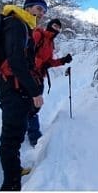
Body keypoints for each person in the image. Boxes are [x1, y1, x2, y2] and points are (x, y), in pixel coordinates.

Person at [0, 0, 47, 191]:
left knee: (15, 133)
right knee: (11, 137)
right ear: (28, 7)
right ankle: (10, 186)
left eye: (44, 10)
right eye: (38, 8)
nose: (41, 13)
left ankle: (14, 171)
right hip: (12, 88)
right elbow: (16, 61)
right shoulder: (16, 24)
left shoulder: (23, 25)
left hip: (15, 87)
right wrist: (34, 91)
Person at [26, 18, 72, 147]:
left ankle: (26, 128)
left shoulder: (51, 43)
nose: (56, 29)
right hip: (30, 76)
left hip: (39, 76)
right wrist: (40, 64)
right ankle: (34, 136)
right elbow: (26, 53)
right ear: (49, 25)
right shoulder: (38, 35)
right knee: (34, 105)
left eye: (58, 27)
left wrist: (62, 60)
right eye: (54, 25)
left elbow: (49, 62)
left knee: (32, 104)